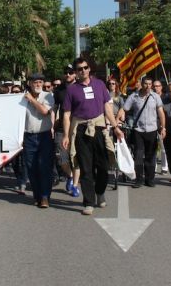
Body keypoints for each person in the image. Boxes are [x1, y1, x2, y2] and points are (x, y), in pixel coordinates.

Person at [62, 58, 124, 216]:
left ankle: (100, 192)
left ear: (89, 69)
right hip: (81, 130)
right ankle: (88, 202)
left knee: (103, 166)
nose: (83, 71)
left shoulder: (99, 85)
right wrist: (66, 135)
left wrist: (115, 127)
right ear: (76, 72)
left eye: (85, 67)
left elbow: (107, 108)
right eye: (79, 69)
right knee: (85, 168)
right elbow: (67, 115)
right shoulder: (71, 90)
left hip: (98, 128)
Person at [118, 76, 166, 188]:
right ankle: (138, 179)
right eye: (146, 84)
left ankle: (149, 179)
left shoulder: (155, 97)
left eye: (150, 84)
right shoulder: (134, 97)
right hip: (138, 130)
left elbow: (161, 113)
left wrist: (163, 128)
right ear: (142, 84)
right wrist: (117, 123)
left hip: (152, 130)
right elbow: (124, 109)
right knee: (138, 155)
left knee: (151, 155)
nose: (148, 86)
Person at [22, 73, 55, 208]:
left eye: (40, 82)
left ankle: (45, 196)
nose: (38, 85)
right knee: (31, 167)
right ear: (30, 83)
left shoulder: (48, 96)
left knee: (44, 167)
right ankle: (37, 195)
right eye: (35, 82)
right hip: (28, 136)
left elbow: (44, 111)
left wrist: (31, 100)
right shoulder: (22, 98)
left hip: (44, 136)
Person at [53, 64, 79, 197]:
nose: (68, 74)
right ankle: (69, 176)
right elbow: (55, 109)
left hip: (77, 127)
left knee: (76, 158)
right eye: (66, 72)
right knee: (61, 159)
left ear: (75, 74)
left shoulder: (80, 87)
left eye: (71, 72)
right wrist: (52, 126)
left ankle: (75, 186)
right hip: (62, 129)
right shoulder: (59, 90)